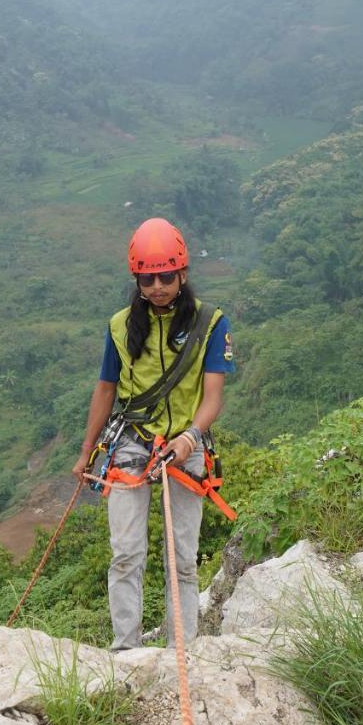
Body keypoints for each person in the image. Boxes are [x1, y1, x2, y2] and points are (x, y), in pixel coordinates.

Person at [71, 218, 235, 651]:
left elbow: (213, 396)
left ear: (182, 274)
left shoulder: (210, 323)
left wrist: (189, 439)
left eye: (166, 276)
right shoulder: (121, 326)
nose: (158, 286)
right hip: (131, 442)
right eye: (148, 278)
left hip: (186, 445)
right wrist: (87, 452)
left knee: (181, 559)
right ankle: (126, 649)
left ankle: (181, 650)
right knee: (125, 553)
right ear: (137, 278)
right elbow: (106, 388)